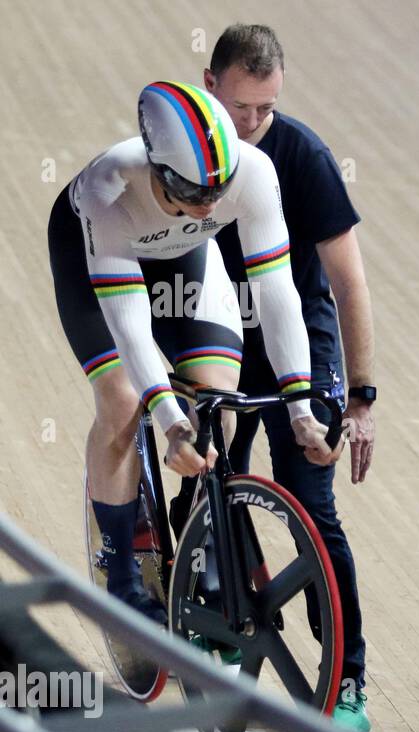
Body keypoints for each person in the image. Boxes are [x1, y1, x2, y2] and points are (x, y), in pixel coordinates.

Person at [48, 80, 333, 627]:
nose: (208, 204)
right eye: (194, 192)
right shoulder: (107, 187)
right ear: (157, 168)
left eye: (216, 192)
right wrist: (169, 419)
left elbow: (276, 294)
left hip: (183, 257)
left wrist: (301, 408)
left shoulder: (251, 173)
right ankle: (120, 563)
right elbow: (131, 328)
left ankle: (199, 533)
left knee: (217, 404)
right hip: (98, 260)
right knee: (122, 401)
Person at [206, 24, 377, 732]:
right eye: (240, 107)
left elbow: (347, 279)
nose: (251, 124)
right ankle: (215, 614)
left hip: (296, 341)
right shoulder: (184, 140)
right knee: (206, 480)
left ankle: (347, 676)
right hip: (212, 331)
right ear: (209, 84)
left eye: (265, 110)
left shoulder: (301, 155)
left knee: (312, 504)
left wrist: (361, 396)